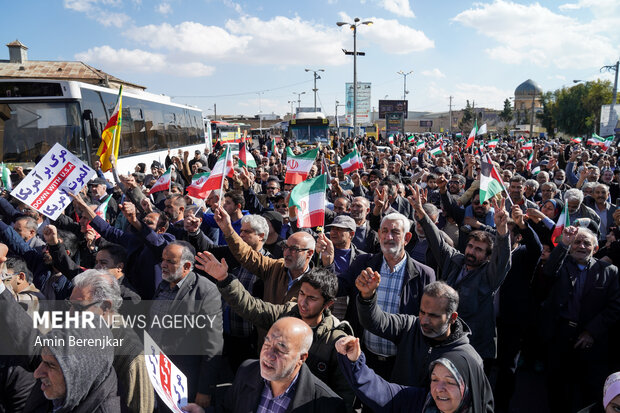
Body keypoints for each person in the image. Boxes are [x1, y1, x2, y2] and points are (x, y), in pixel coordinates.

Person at [195, 253, 355, 410]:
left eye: (312, 298)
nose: (303, 302)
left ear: (328, 304)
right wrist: (224, 279)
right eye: (301, 294)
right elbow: (252, 307)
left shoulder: (336, 342)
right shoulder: (286, 313)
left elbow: (343, 397)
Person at [410, 184, 511, 363]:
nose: (471, 252)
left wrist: (502, 232)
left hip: (474, 343)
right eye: (470, 246)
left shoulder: (489, 275)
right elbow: (437, 241)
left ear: (487, 257)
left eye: (479, 250)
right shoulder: (455, 260)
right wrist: (421, 213)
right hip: (444, 335)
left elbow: (502, 260)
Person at [336, 212, 436, 379]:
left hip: (401, 364)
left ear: (407, 238)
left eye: (395, 232)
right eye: (384, 231)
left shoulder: (424, 275)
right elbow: (338, 287)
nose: (388, 236)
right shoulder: (363, 264)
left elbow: (426, 322)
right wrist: (325, 264)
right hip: (363, 359)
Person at [182, 317, 344, 413]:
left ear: (302, 358)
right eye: (267, 344)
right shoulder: (248, 370)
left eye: (280, 349)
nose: (268, 355)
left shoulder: (328, 405)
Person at [541, 226, 620, 413]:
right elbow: (548, 271)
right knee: (556, 386)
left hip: (590, 342)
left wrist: (591, 332)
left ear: (595, 248)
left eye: (587, 243)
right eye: (577, 242)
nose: (581, 246)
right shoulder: (560, 264)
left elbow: (615, 307)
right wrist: (564, 243)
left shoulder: (610, 271)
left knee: (586, 390)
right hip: (558, 335)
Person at [148, 241, 223, 409]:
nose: (163, 265)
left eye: (170, 261)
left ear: (187, 266)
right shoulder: (163, 285)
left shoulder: (205, 291)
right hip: (155, 372)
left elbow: (213, 345)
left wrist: (205, 390)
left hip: (182, 379)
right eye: (163, 259)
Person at [336, 335, 494, 413]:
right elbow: (380, 391)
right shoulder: (422, 402)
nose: (439, 388)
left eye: (450, 382)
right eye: (434, 379)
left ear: (469, 387)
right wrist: (354, 360)